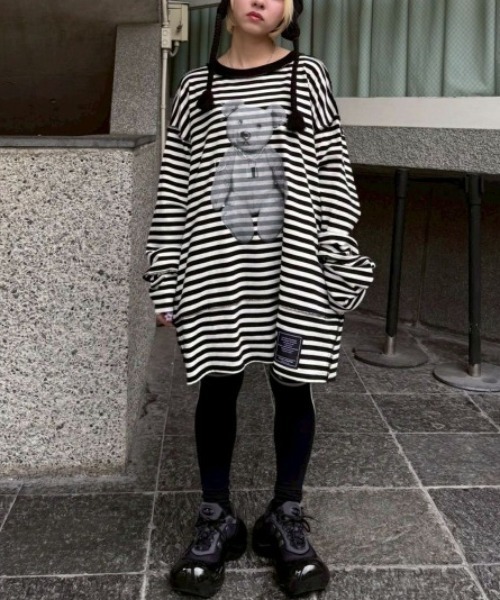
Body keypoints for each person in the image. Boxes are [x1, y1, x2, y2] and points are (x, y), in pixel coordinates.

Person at [144, 0, 374, 597]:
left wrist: (337, 257)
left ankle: (285, 515)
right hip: (214, 273)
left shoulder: (308, 76)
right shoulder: (194, 89)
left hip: (294, 272)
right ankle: (216, 515)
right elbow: (174, 185)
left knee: (294, 386)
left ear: (289, 12)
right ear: (225, 9)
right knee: (217, 385)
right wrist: (165, 272)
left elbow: (333, 173)